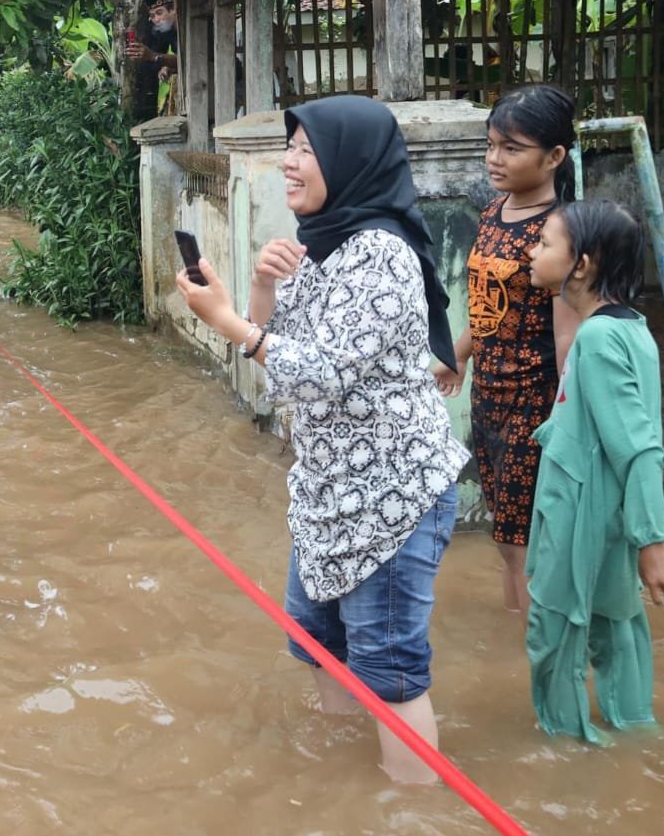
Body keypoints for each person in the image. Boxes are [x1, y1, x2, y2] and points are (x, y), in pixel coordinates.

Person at [175, 95, 466, 784]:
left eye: (306, 150)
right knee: (317, 641)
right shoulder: (330, 244)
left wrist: (234, 326)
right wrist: (260, 291)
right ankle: (340, 778)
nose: (289, 162)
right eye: (292, 147)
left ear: (349, 160)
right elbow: (284, 370)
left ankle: (413, 805)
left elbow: (324, 373)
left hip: (393, 499)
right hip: (329, 494)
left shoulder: (383, 255)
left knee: (391, 667)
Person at [523, 199, 664, 743]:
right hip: (609, 516)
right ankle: (634, 733)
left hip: (582, 515)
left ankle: (562, 741)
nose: (532, 255)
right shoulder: (632, 328)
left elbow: (637, 446)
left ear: (581, 264)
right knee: (617, 625)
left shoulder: (597, 338)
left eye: (544, 244)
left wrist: (654, 540)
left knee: (553, 630)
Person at [433, 85, 578, 612]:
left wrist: (572, 412)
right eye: (491, 144)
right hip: (489, 394)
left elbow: (569, 332)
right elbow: (494, 304)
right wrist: (462, 352)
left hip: (535, 400)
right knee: (505, 535)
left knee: (523, 542)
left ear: (554, 156)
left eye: (511, 148)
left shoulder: (561, 230)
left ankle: (536, 655)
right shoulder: (495, 212)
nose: (495, 159)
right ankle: (520, 640)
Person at [124, 0, 179, 120]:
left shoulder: (190, 27)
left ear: (173, 10)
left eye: (159, 13)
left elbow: (191, 59)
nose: (156, 20)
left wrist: (154, 56)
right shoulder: (169, 33)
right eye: (152, 16)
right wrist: (169, 68)